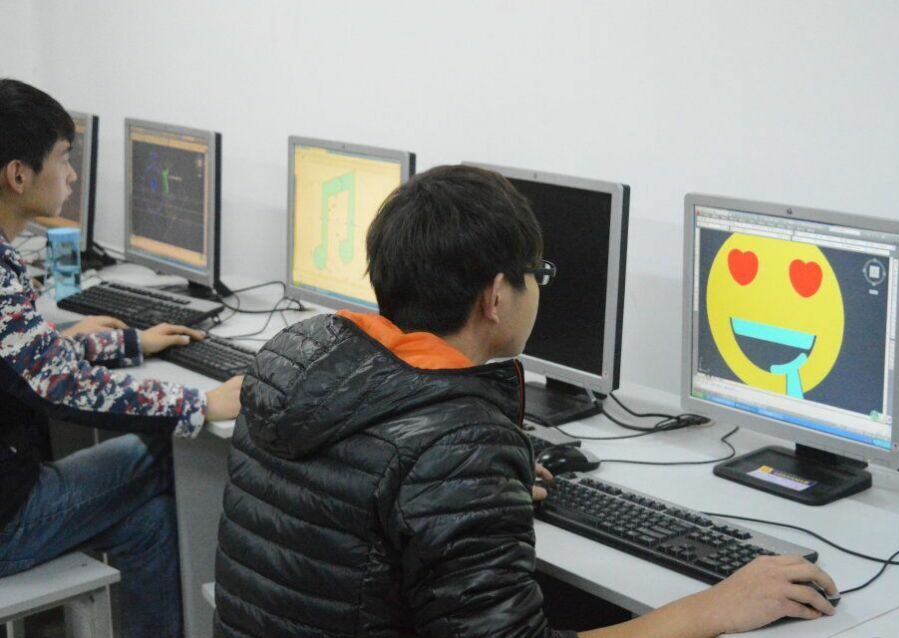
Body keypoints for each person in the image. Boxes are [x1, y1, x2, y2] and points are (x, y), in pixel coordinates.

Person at [214, 167, 838, 637]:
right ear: (495, 298)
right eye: (537, 274)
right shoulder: (456, 442)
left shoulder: (295, 353)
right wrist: (715, 607)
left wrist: (476, 492)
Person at [0, 78, 243, 638]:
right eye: (65, 158)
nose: (72, 176)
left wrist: (126, 343)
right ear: (18, 175)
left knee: (149, 524)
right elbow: (63, 387)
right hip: (7, 521)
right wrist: (200, 403)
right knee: (166, 453)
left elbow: (20, 361)